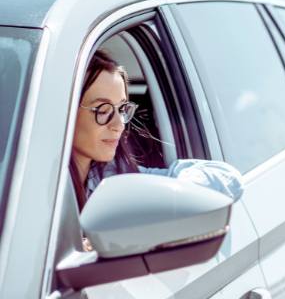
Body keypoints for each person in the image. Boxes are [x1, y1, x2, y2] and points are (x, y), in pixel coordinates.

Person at [70, 50, 243, 211]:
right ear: (66, 113)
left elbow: (227, 177)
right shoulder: (46, 191)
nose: (119, 124)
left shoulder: (114, 177)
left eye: (122, 109)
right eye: (103, 110)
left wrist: (178, 193)